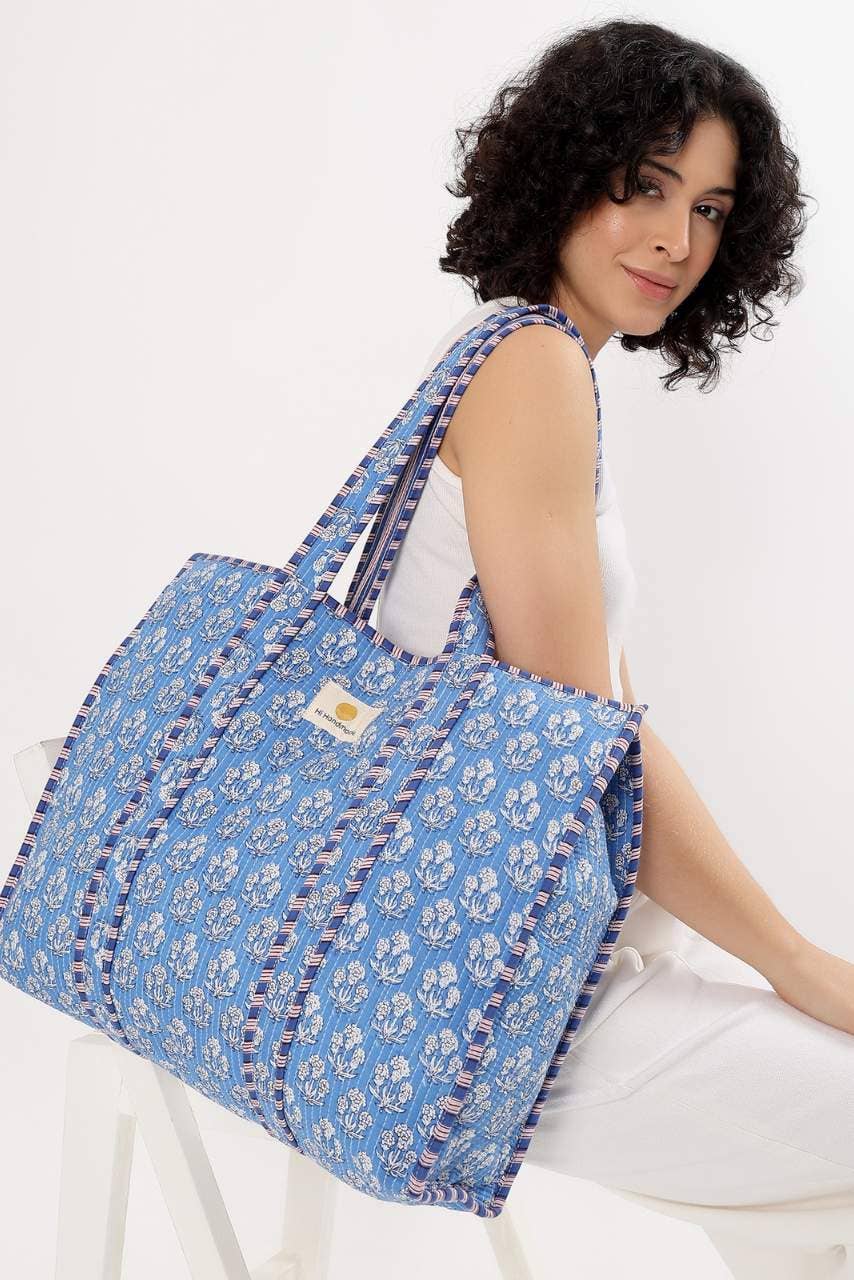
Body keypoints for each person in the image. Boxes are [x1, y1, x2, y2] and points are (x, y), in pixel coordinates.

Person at [370, 19, 854, 1278]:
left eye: (709, 209)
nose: (675, 240)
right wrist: (797, 963)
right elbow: (587, 748)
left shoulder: (528, 364)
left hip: (540, 961)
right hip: (503, 1000)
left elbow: (607, 729)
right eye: (642, 184)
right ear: (564, 170)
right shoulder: (527, 368)